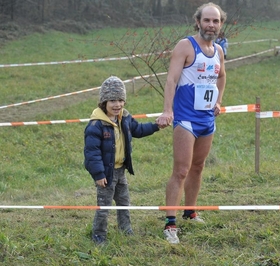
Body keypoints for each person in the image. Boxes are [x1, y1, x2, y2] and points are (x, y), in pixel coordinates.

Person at [155, 2, 227, 244]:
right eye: (207, 20)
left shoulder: (218, 50)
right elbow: (171, 80)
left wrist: (219, 101)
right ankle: (170, 223)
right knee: (181, 170)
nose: (211, 25)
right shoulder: (186, 46)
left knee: (198, 167)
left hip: (207, 119)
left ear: (221, 24)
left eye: (215, 21)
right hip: (185, 119)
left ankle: (190, 211)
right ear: (198, 22)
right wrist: (167, 110)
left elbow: (222, 76)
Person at [84, 75, 163, 245]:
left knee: (124, 202)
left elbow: (139, 129)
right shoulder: (96, 125)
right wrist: (99, 174)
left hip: (121, 171)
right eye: (112, 100)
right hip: (106, 173)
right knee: (104, 207)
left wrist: (156, 126)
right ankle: (99, 235)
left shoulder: (125, 118)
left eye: (120, 100)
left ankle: (125, 229)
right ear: (103, 102)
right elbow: (92, 153)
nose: (117, 104)